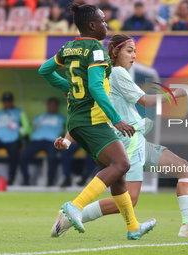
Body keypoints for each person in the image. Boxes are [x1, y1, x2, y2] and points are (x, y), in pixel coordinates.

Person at [53, 34, 188, 238]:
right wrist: (178, 93)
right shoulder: (117, 72)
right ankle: (71, 215)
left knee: (184, 169)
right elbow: (145, 101)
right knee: (130, 198)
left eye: (135, 51)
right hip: (128, 142)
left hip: (136, 140)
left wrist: (68, 139)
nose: (134, 55)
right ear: (114, 52)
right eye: (129, 50)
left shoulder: (101, 75)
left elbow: (88, 112)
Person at [38, 3, 156, 240]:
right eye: (103, 21)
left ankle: (133, 227)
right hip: (93, 120)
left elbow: (44, 70)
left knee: (119, 176)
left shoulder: (69, 48)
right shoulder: (96, 49)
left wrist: (69, 87)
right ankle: (75, 206)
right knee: (121, 164)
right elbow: (94, 86)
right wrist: (117, 119)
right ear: (92, 25)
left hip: (77, 120)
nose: (106, 25)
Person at [0, 92, 30, 185]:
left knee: (14, 154)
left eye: (9, 101)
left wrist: (19, 132)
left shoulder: (19, 112)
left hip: (13, 138)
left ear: (12, 102)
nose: (7, 103)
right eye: (5, 101)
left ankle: (11, 179)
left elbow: (26, 127)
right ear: (2, 102)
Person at [19, 98, 65, 186]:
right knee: (22, 156)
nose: (52, 107)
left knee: (52, 157)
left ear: (57, 107)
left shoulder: (61, 118)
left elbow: (65, 131)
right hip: (36, 140)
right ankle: (26, 180)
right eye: (50, 105)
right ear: (47, 106)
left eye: (54, 105)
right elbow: (31, 129)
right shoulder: (39, 117)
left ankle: (50, 181)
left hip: (52, 141)